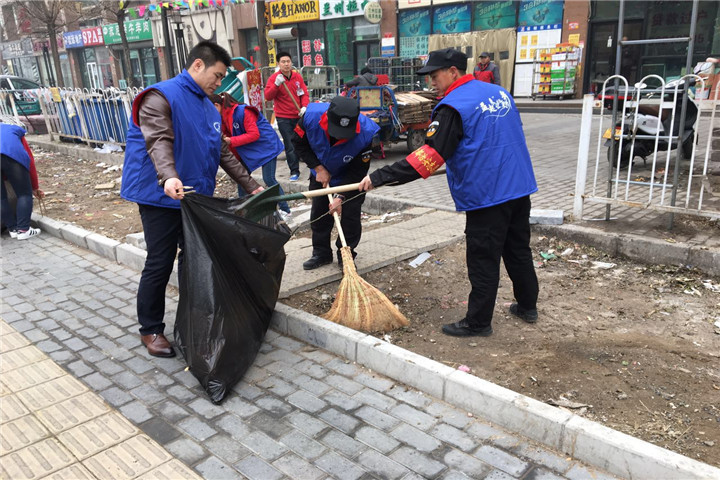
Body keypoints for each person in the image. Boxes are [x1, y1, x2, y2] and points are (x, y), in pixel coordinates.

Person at [359, 48, 539, 338]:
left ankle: (479, 323)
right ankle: (528, 306)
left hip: (487, 195)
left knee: (483, 259)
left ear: (453, 72)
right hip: (519, 186)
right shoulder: (498, 93)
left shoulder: (453, 106)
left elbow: (428, 157)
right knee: (518, 248)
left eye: (434, 75)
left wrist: (379, 177)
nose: (431, 81)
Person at [121, 41, 262, 358]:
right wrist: (168, 175)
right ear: (198, 65)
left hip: (194, 195)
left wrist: (251, 186)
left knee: (193, 258)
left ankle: (190, 319)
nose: (220, 82)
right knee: (160, 259)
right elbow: (159, 139)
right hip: (160, 194)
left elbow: (222, 150)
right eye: (218, 74)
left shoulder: (207, 104)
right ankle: (150, 328)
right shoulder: (160, 96)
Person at [292, 96, 379, 270]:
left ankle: (346, 255)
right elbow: (298, 143)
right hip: (320, 174)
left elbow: (358, 171)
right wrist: (318, 167)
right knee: (320, 212)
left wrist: (340, 196)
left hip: (349, 177)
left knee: (351, 216)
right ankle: (321, 253)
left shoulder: (367, 133)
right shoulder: (310, 117)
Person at [208, 92, 291, 220]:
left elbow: (254, 134)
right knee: (242, 179)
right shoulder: (221, 118)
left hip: (266, 146)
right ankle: (244, 212)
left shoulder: (242, 111)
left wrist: (231, 141)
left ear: (216, 105)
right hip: (249, 150)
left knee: (269, 179)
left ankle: (285, 209)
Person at [265, 52, 309, 182]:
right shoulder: (274, 78)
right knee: (290, 144)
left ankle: (312, 166)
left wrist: (304, 106)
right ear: (278, 64)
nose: (286, 64)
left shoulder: (297, 77)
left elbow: (304, 93)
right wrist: (276, 85)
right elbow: (268, 96)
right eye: (283, 62)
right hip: (283, 117)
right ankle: (294, 170)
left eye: (288, 61)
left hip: (298, 115)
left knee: (303, 140)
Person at [1, 123, 44, 240]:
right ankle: (24, 229)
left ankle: (13, 229)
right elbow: (29, 159)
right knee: (24, 194)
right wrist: (34, 187)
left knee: (1, 198)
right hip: (13, 158)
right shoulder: (12, 129)